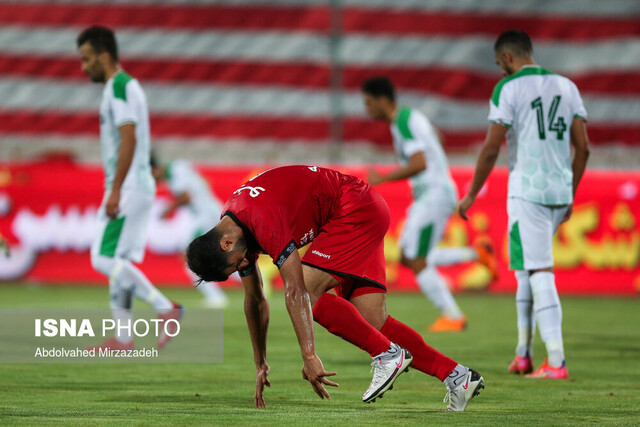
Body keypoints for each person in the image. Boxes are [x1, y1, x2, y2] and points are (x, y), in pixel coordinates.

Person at [187, 165, 484, 410]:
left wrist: (309, 354)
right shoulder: (236, 234)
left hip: (353, 210)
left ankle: (387, 355)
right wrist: (260, 361)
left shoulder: (259, 218)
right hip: (359, 210)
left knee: (307, 294)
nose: (242, 267)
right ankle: (458, 376)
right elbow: (254, 300)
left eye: (235, 265)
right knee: (374, 321)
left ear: (226, 244)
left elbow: (296, 291)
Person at [457, 30, 590, 379]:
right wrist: (571, 192)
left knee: (540, 272)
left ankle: (556, 361)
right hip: (559, 191)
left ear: (509, 58)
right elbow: (584, 148)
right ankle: (523, 353)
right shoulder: (568, 86)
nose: (502, 70)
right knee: (525, 270)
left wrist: (471, 193)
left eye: (501, 64)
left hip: (527, 191)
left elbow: (490, 148)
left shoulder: (509, 88)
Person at [362, 77, 499, 332]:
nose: (366, 109)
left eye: (369, 103)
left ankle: (453, 315)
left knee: (416, 258)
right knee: (407, 256)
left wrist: (383, 178)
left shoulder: (402, 123)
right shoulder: (411, 117)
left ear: (383, 100)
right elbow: (439, 138)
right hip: (432, 192)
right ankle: (476, 253)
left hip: (432, 194)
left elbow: (420, 163)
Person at [77, 26, 181, 350]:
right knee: (118, 259)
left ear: (103, 56)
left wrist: (116, 188)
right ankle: (123, 337)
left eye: (87, 59)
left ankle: (166, 309)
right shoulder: (126, 86)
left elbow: (129, 136)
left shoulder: (119, 86)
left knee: (102, 257)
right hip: (137, 183)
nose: (84, 67)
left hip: (130, 185)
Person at [151, 156, 229, 308]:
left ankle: (216, 297)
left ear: (155, 169)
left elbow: (186, 196)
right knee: (224, 254)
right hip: (211, 212)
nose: (155, 182)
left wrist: (168, 210)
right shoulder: (179, 167)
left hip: (205, 216)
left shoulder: (175, 173)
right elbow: (203, 182)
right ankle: (256, 282)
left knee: (189, 254)